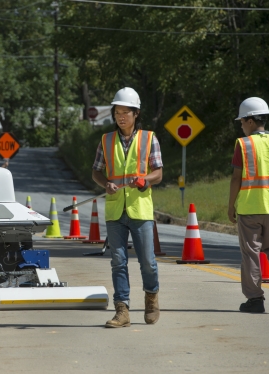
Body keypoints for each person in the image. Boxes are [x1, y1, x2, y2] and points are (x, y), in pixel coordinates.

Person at [92, 87, 163, 328]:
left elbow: (159, 173)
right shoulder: (106, 140)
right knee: (118, 261)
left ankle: (151, 298)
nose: (121, 117)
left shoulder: (149, 138)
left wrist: (146, 179)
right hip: (115, 210)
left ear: (136, 113)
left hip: (140, 209)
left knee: (147, 262)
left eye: (126, 112)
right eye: (117, 112)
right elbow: (96, 171)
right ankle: (122, 310)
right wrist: (106, 183)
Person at [228, 97, 269, 313]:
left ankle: (255, 299)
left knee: (251, 252)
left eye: (241, 122)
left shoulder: (243, 144)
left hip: (249, 208)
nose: (241, 126)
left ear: (249, 121)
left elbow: (236, 178)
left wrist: (231, 205)